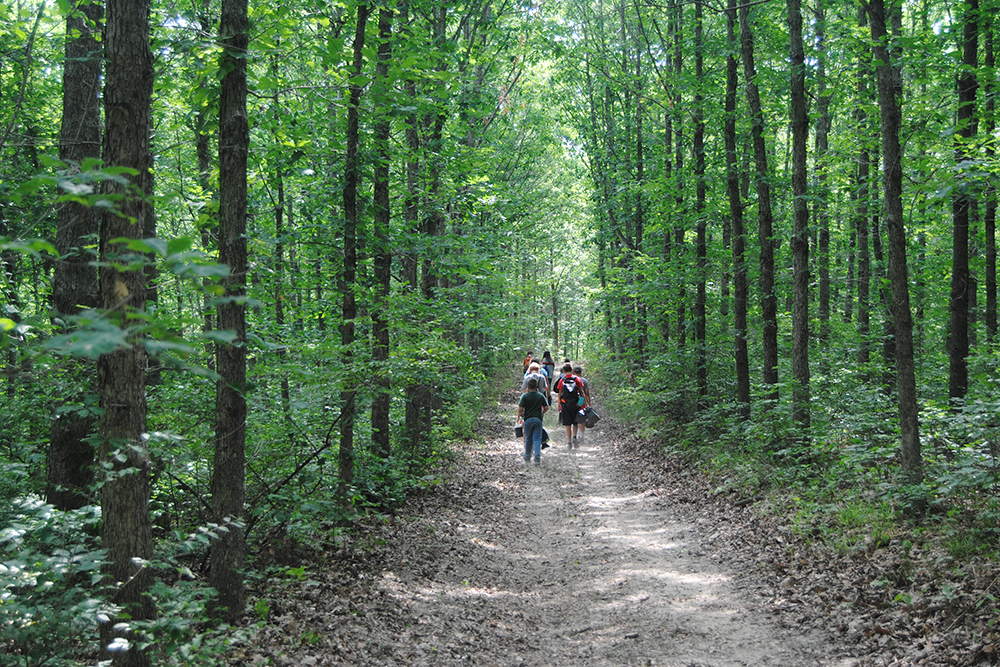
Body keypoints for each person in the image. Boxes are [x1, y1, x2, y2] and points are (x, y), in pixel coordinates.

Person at [517, 378, 549, 464]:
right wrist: (542, 413)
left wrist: (518, 417)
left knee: (528, 438)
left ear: (527, 386)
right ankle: (537, 457)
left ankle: (527, 456)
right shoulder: (540, 396)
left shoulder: (525, 396)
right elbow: (546, 407)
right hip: (538, 419)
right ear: (536, 386)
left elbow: (520, 409)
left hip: (528, 420)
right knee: (537, 439)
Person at [555, 363, 586, 448]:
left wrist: (559, 404)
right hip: (576, 403)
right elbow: (581, 392)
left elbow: (560, 393)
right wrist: (582, 403)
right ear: (572, 370)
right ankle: (575, 437)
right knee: (575, 422)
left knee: (568, 423)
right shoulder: (577, 379)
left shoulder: (562, 380)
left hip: (566, 404)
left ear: (564, 371)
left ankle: (569, 442)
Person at [572, 364, 592, 444]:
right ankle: (581, 436)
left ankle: (574, 435)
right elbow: (587, 393)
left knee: (574, 418)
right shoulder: (585, 381)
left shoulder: (572, 380)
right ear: (581, 372)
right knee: (582, 418)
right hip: (582, 400)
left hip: (573, 401)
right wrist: (588, 404)